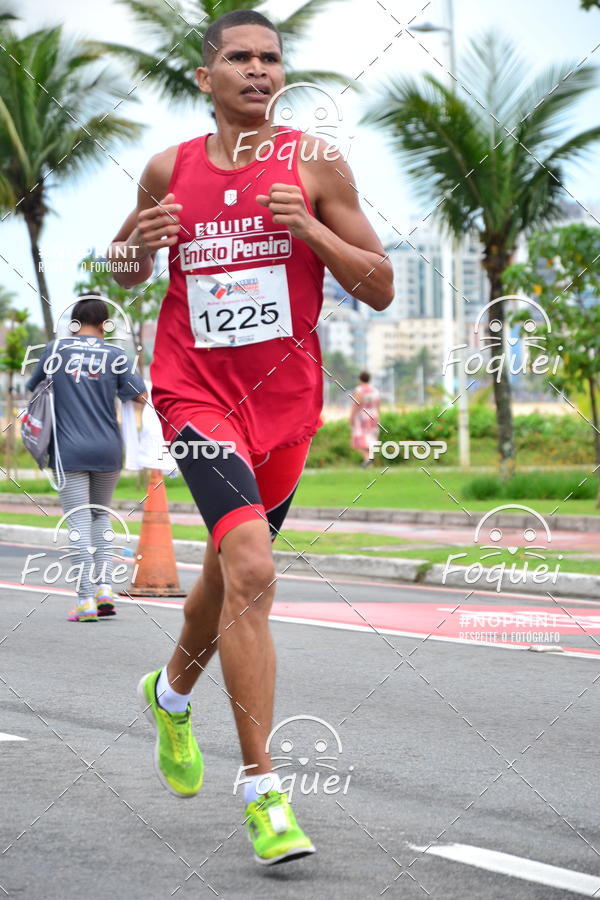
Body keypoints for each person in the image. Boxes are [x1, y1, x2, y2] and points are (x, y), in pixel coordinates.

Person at [108, 9, 393, 865]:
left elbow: (377, 284)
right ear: (207, 77)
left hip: (286, 406)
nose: (259, 70)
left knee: (224, 578)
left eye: (272, 58)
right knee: (256, 568)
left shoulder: (316, 162)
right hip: (194, 395)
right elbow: (123, 271)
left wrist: (310, 229)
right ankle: (265, 792)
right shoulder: (169, 167)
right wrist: (133, 240)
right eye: (240, 58)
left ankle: (169, 692)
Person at [25, 294, 146, 622]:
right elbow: (139, 395)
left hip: (69, 450)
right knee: (100, 518)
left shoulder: (56, 350)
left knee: (78, 522)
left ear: (75, 323)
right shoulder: (115, 355)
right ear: (105, 324)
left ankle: (84, 600)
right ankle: (105, 588)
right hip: (108, 449)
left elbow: (32, 386)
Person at [350, 371, 381, 467]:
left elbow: (356, 404)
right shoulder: (375, 390)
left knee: (359, 439)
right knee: (370, 438)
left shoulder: (359, 390)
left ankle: (367, 458)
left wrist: (351, 416)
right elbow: (378, 404)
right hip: (373, 415)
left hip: (362, 416)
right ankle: (368, 461)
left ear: (360, 379)